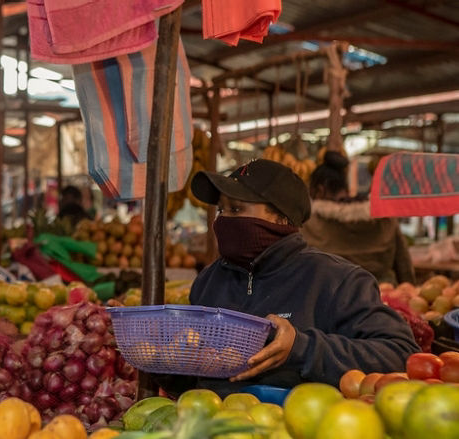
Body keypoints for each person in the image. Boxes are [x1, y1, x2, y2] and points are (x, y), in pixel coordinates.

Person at [156, 159, 420, 397]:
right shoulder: (210, 281)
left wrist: (301, 348)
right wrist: (168, 362)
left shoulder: (337, 280)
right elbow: (192, 381)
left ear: (281, 218)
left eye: (236, 209)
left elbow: (400, 353)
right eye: (221, 211)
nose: (223, 220)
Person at [301, 151, 415, 285]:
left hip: (331, 297)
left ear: (320, 190)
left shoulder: (309, 224)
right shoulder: (384, 218)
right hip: (381, 296)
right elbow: (404, 266)